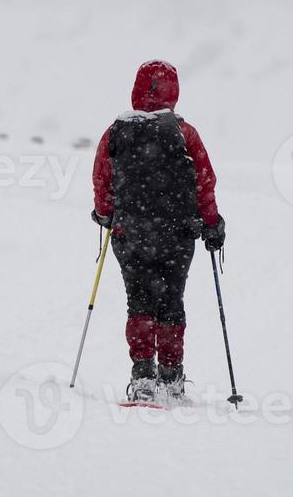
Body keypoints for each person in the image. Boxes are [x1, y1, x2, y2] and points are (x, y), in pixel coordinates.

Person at [92, 60, 225, 402]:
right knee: (170, 302)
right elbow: (204, 183)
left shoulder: (116, 132)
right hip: (176, 237)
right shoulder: (185, 133)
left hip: (129, 235)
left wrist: (106, 214)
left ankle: (142, 378)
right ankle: (171, 378)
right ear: (174, 92)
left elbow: (102, 178)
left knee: (138, 302)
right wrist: (212, 224)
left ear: (137, 89)